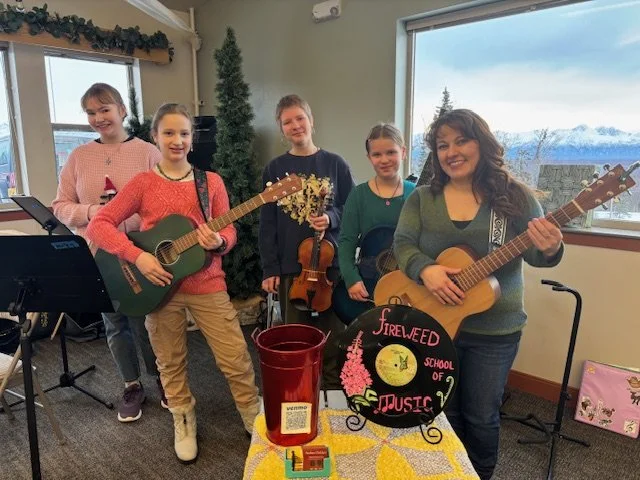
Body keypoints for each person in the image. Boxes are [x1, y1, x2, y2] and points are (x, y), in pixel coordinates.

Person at [393, 109, 564, 480]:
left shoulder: (513, 198)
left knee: (481, 414)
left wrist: (550, 248)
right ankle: (446, 470)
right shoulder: (422, 198)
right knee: (444, 408)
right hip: (435, 325)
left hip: (495, 331)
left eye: (461, 141)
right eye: (442, 145)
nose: (451, 151)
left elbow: (537, 254)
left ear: (481, 144)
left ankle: (480, 474)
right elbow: (402, 244)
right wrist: (426, 269)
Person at [86, 103, 260, 463]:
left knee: (235, 356)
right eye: (169, 133)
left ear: (192, 140)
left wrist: (220, 241)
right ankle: (182, 418)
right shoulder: (143, 183)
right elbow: (99, 224)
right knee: (170, 362)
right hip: (157, 289)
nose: (177, 140)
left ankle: (251, 413)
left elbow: (228, 229)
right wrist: (139, 257)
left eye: (183, 133)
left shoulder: (210, 182)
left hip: (208, 283)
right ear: (155, 137)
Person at [52, 83, 163, 423]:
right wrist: (92, 214)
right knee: (115, 324)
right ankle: (132, 385)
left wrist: (130, 218)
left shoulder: (148, 153)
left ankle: (163, 380)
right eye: (91, 112)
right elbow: (59, 206)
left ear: (122, 111)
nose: (99, 118)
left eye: (104, 109)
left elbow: (164, 205)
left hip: (139, 252)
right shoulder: (79, 157)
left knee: (147, 323)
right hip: (98, 255)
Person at [259, 94, 355, 389]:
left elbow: (351, 210)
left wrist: (332, 219)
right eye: (287, 122)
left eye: (300, 118)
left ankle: (333, 391)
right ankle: (302, 390)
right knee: (296, 336)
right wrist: (270, 269)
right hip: (291, 267)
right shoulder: (275, 169)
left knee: (333, 334)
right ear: (281, 129)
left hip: (329, 268)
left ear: (311, 122)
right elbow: (268, 222)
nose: (295, 125)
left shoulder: (335, 164)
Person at [337, 123, 415, 316]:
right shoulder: (358, 195)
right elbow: (347, 241)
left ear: (403, 152)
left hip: (408, 284)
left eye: (391, 152)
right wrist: (351, 279)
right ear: (369, 157)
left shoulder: (416, 194)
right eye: (377, 155)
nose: (384, 160)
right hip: (369, 281)